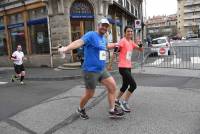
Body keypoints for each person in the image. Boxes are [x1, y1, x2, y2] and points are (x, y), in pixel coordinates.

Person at [58, 18, 124, 119]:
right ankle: (80, 109)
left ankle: (112, 110)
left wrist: (115, 44)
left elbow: (106, 46)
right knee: (89, 94)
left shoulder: (103, 38)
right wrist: (66, 48)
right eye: (103, 25)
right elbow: (79, 42)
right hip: (90, 71)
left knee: (112, 87)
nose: (104, 27)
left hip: (102, 69)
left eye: (106, 26)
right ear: (98, 25)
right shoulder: (91, 35)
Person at [115, 26, 143, 112]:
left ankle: (116, 100)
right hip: (122, 67)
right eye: (128, 31)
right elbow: (117, 49)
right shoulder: (123, 41)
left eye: (131, 31)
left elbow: (140, 50)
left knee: (125, 85)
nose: (130, 33)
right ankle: (124, 102)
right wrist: (117, 49)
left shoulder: (131, 42)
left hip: (128, 67)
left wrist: (140, 44)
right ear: (125, 33)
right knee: (133, 85)